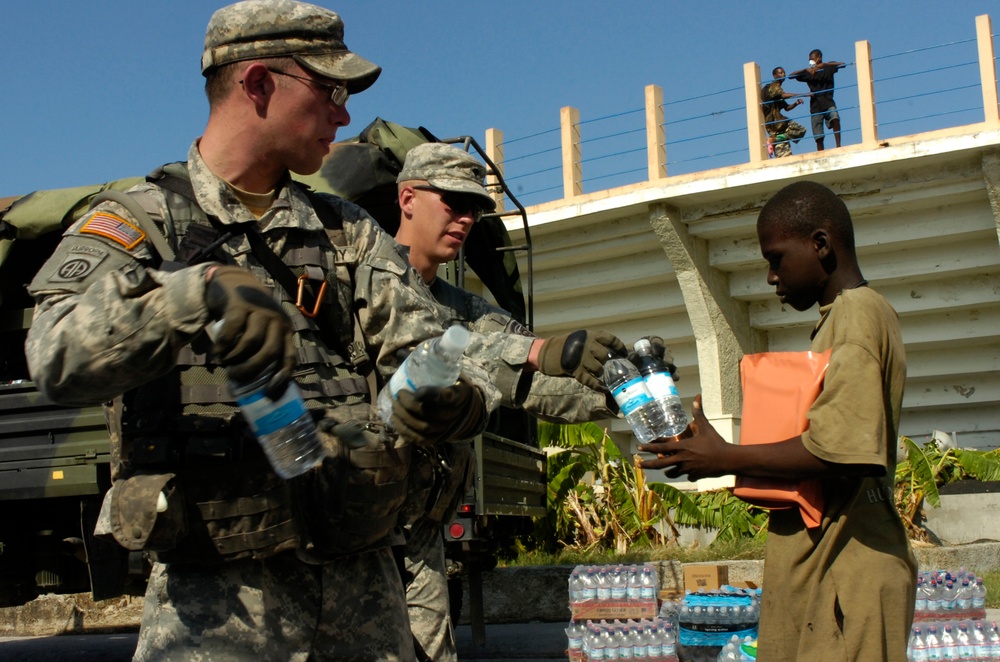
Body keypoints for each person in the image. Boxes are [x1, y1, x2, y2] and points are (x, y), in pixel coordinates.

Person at [23, 2, 501, 660]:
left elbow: (444, 357)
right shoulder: (142, 221)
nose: (344, 114)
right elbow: (55, 354)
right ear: (257, 84)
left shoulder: (347, 233)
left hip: (363, 602)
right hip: (213, 611)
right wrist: (189, 296)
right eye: (330, 90)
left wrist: (452, 397)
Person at [637, 181, 917, 661]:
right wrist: (724, 451)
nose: (771, 277)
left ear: (821, 246)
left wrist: (726, 457)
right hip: (831, 571)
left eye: (776, 258)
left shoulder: (856, 319)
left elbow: (841, 451)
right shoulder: (844, 317)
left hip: (845, 574)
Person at [392, 142, 633, 661]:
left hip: (421, 532)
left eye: (474, 210)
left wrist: (625, 392)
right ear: (407, 198)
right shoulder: (367, 280)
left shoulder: (469, 308)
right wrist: (539, 349)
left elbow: (529, 386)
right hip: (359, 527)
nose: (465, 219)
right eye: (452, 202)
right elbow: (433, 349)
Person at [790, 50, 846, 151]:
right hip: (815, 106)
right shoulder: (808, 73)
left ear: (819, 58)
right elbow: (791, 76)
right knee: (818, 135)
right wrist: (805, 70)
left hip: (828, 102)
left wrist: (824, 65)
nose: (811, 61)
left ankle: (838, 146)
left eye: (812, 59)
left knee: (835, 118)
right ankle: (821, 152)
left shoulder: (828, 67)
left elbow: (843, 65)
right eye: (809, 60)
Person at [760, 67, 808, 158]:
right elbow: (783, 95)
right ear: (774, 76)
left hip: (774, 125)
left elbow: (787, 108)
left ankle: (774, 140)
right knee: (800, 129)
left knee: (783, 153)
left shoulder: (776, 90)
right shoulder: (774, 87)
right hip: (776, 122)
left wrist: (796, 103)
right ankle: (773, 140)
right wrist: (801, 94)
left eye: (784, 73)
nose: (783, 75)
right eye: (780, 73)